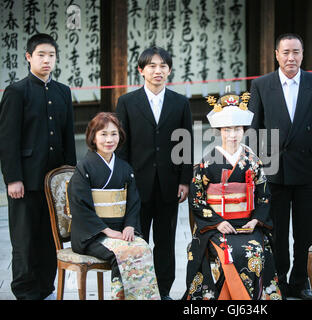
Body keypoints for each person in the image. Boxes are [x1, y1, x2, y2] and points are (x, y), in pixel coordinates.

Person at [248, 33, 312, 299]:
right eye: (285, 52)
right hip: (273, 170)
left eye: (296, 52)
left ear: (302, 54)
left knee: (305, 229)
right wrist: (255, 164)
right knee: (276, 230)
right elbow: (254, 128)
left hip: (307, 167)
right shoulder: (262, 84)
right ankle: (278, 280)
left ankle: (301, 281)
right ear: (276, 55)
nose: (291, 58)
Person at [183, 92, 281, 300]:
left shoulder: (253, 161)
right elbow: (197, 198)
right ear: (219, 131)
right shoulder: (207, 162)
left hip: (247, 224)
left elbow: (264, 195)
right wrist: (217, 222)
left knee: (254, 251)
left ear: (243, 130)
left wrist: (256, 220)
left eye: (237, 129)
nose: (232, 134)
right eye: (227, 130)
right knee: (230, 253)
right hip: (218, 226)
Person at [0, 33, 76, 300]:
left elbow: (68, 137)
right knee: (24, 239)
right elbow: (8, 140)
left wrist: (71, 178)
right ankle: (24, 289)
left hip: (54, 181)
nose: (47, 60)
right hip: (26, 180)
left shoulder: (62, 91)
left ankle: (45, 286)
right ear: (29, 57)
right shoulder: (16, 92)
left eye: (51, 55)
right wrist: (13, 178)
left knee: (50, 237)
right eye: (41, 55)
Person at [116, 46, 193, 300]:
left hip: (169, 185)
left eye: (162, 66)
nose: (157, 70)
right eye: (152, 66)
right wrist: (124, 182)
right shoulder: (127, 102)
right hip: (137, 184)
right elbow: (122, 146)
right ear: (141, 70)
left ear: (169, 70)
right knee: (137, 242)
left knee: (165, 242)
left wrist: (184, 180)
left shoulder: (180, 103)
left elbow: (186, 144)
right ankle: (138, 291)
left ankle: (163, 291)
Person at [68, 112, 159, 300]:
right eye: (103, 134)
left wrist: (129, 225)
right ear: (93, 137)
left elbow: (133, 202)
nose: (109, 139)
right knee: (123, 253)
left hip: (120, 231)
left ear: (120, 136)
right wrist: (106, 231)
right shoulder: (84, 167)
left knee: (142, 248)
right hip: (92, 235)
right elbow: (80, 206)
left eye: (114, 134)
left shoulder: (125, 168)